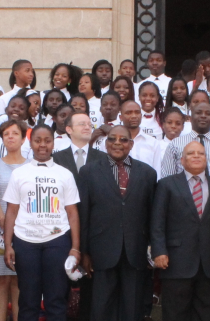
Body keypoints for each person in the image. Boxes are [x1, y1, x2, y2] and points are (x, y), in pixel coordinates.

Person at [2, 125, 82, 321]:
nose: (43, 145)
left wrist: (75, 248)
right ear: (31, 143)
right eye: (38, 140)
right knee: (28, 300)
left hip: (57, 240)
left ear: (53, 143)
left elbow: (72, 213)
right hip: (25, 241)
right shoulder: (19, 174)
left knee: (56, 298)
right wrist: (7, 245)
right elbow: (11, 211)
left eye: (47, 140)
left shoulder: (65, 174)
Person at [77, 124, 156, 321]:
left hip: (135, 252)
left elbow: (152, 215)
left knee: (132, 308)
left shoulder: (148, 173)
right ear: (105, 143)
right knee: (101, 307)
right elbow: (83, 214)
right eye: (112, 139)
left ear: (131, 144)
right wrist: (84, 251)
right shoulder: (88, 172)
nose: (117, 143)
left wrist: (151, 248)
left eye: (123, 139)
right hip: (100, 252)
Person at [151, 141, 210, 321]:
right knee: (175, 313)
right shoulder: (167, 184)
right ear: (182, 160)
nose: (197, 156)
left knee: (207, 313)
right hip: (176, 261)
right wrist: (159, 251)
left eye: (201, 153)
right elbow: (157, 220)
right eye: (191, 153)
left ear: (207, 159)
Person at [0, 121, 31, 321]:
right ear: (2, 138)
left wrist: (15, 222)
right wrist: (3, 219)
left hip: (23, 227)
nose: (11, 137)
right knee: (1, 277)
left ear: (24, 138)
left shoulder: (31, 165)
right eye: (6, 134)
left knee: (19, 278)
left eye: (15, 133)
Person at [159, 102, 210, 178]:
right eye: (198, 113)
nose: (203, 116)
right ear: (190, 118)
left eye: (208, 113)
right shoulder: (175, 144)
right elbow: (167, 178)